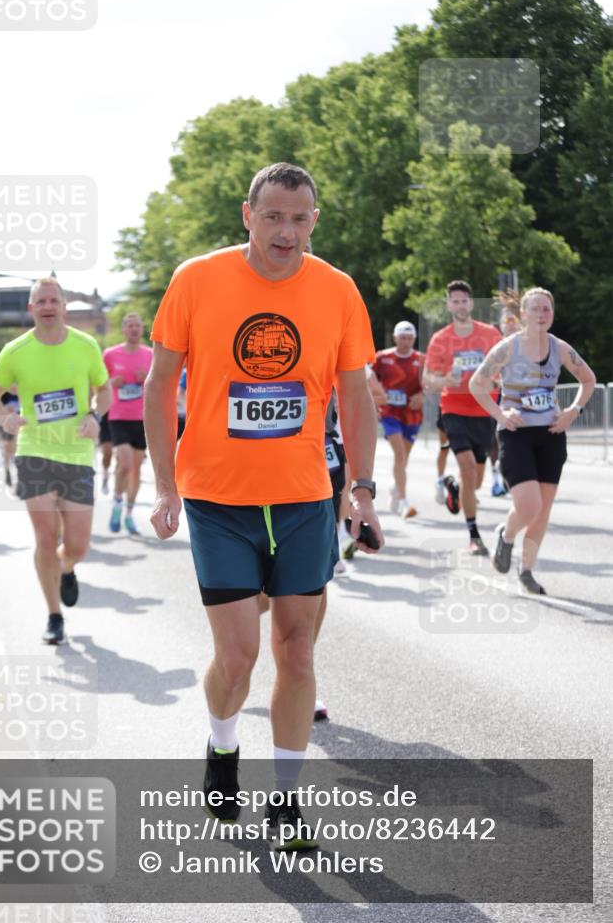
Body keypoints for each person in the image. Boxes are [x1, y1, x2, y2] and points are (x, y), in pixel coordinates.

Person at [144, 162, 382, 847]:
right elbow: (161, 385)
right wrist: (165, 485)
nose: (287, 230)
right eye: (273, 216)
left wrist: (360, 489)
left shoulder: (335, 289)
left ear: (314, 220)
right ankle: (222, 745)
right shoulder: (197, 278)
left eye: (299, 217)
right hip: (219, 499)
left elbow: (354, 394)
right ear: (247, 216)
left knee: (298, 651)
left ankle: (285, 805)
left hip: (306, 497)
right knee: (240, 658)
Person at [0, 279, 111, 644]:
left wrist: (95, 417)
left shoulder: (85, 346)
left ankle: (67, 566)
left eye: (54, 300)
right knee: (44, 535)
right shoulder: (15, 351)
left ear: (64, 306)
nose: (48, 306)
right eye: (41, 301)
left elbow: (105, 390)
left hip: (77, 454)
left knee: (78, 544)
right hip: (34, 452)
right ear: (31, 308)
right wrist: (3, 418)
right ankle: (54, 615)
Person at [469, 287, 595, 595]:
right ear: (522, 314)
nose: (541, 314)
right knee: (528, 505)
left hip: (551, 434)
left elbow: (588, 380)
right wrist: (500, 414)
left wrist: (572, 411)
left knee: (543, 509)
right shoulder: (507, 349)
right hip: (516, 435)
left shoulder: (560, 347)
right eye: (535, 309)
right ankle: (506, 534)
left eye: (546, 309)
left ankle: (526, 570)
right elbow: (477, 384)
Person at [424, 281, 502, 555]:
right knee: (468, 468)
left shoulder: (490, 334)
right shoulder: (440, 339)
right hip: (453, 408)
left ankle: (453, 485)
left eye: (464, 301)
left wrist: (495, 382)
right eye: (454, 301)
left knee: (476, 481)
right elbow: (428, 380)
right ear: (448, 305)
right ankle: (474, 535)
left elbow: (504, 367)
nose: (459, 305)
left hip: (484, 410)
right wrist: (446, 378)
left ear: (471, 303)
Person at [103, 313, 153, 535]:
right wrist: (111, 382)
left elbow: (162, 384)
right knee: (124, 464)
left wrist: (147, 380)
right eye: (130, 326)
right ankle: (116, 504)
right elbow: (99, 384)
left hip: (142, 418)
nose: (134, 329)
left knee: (135, 470)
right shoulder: (110, 354)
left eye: (137, 326)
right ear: (123, 329)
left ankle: (129, 514)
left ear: (142, 329)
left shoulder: (151, 355)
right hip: (118, 416)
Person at [372, 321, 424, 517]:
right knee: (400, 454)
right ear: (395, 337)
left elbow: (428, 383)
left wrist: (423, 396)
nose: (406, 342)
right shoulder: (382, 357)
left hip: (411, 414)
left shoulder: (421, 359)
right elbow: (370, 380)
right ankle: (404, 501)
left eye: (410, 338)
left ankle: (395, 486)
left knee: (403, 458)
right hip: (389, 412)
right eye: (402, 337)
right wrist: (377, 398)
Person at [489, 304, 521, 496]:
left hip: (519, 401)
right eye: (507, 320)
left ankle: (512, 477)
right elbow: (484, 377)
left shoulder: (528, 343)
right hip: (497, 399)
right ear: (501, 325)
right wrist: (496, 383)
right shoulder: (494, 345)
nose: (511, 324)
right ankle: (495, 480)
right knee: (495, 441)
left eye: (514, 320)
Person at [99, 412, 113, 494]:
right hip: (105, 418)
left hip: (123, 418)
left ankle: (117, 493)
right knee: (107, 454)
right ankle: (105, 477)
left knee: (121, 458)